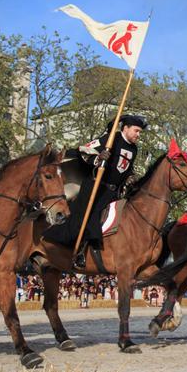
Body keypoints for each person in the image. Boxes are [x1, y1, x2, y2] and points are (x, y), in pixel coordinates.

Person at [44, 114, 146, 268]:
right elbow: (84, 150)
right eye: (136, 131)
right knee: (91, 216)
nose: (138, 135)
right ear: (125, 128)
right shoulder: (110, 139)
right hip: (96, 188)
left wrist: (130, 177)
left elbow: (125, 168)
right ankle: (80, 251)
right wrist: (99, 158)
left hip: (114, 192)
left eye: (140, 132)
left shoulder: (134, 149)